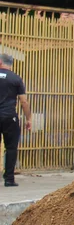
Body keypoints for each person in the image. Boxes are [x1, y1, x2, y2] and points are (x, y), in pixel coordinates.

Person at [0, 53, 32, 187]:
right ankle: (9, 179)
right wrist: (28, 118)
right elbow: (24, 101)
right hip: (9, 117)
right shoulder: (16, 79)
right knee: (11, 147)